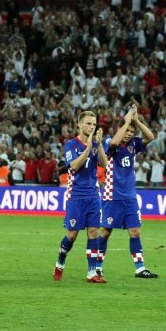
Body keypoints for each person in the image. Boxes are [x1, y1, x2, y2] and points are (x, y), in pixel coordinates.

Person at [97, 105, 158, 279]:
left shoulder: (134, 144)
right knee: (106, 232)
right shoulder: (110, 142)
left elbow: (150, 137)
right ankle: (98, 266)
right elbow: (115, 143)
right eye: (128, 130)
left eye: (132, 131)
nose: (130, 134)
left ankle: (140, 268)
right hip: (112, 195)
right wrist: (125, 122)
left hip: (130, 197)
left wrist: (136, 120)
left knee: (135, 232)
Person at [52, 110, 108, 283]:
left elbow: (105, 164)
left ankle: (92, 272)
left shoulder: (96, 143)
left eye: (94, 124)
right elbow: (74, 166)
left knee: (93, 232)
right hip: (75, 194)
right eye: (89, 123)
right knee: (72, 235)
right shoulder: (71, 145)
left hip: (93, 193)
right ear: (80, 125)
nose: (92, 126)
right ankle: (60, 262)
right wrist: (89, 147)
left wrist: (97, 145)